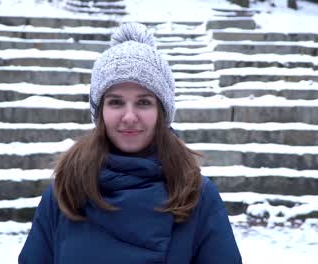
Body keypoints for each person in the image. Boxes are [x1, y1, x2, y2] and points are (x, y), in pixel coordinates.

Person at [18, 22, 242, 264]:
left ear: (162, 112)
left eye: (144, 102)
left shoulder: (197, 196)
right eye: (116, 102)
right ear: (100, 111)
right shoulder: (64, 193)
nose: (129, 116)